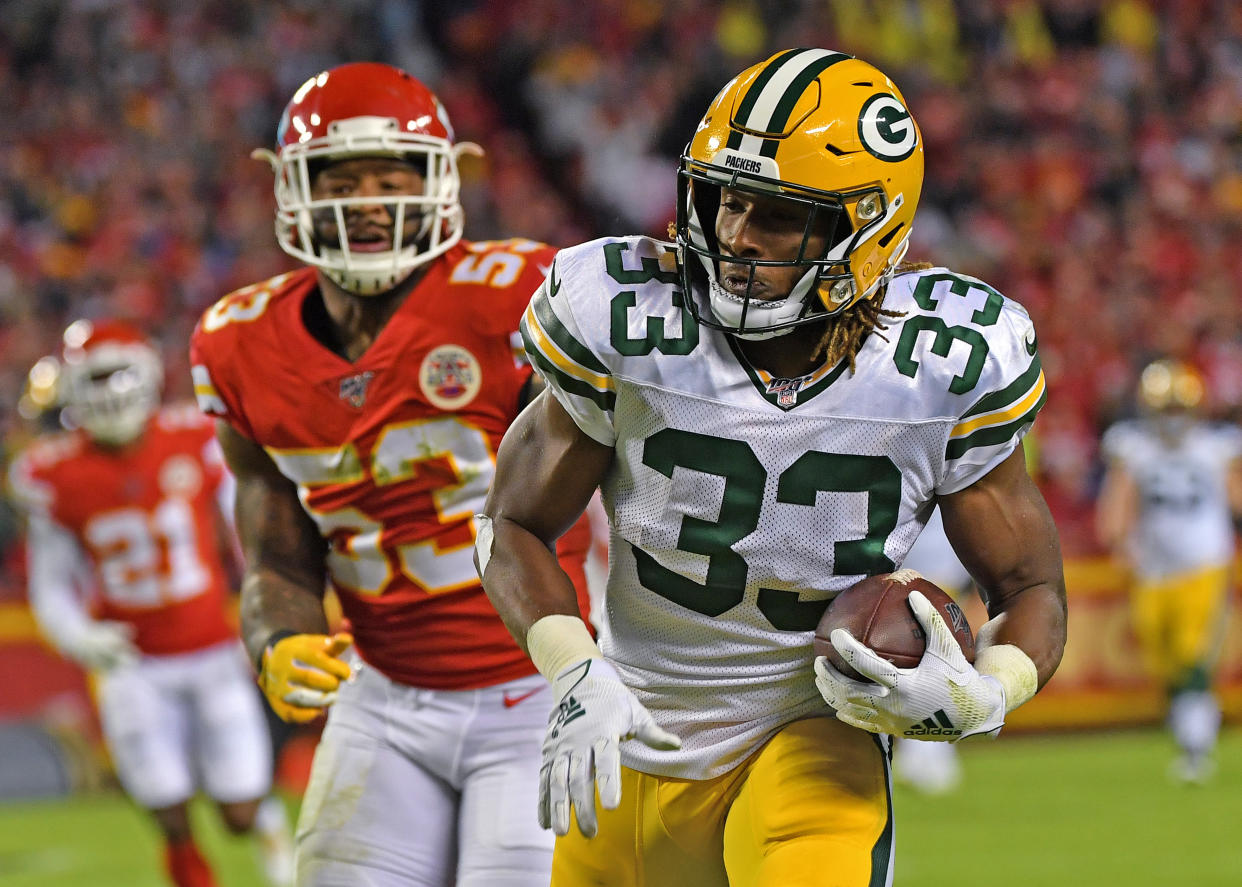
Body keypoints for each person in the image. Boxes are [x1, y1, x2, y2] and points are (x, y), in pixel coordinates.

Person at [476, 48, 1067, 886]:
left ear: (868, 229)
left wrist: (989, 692)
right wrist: (574, 669)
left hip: (810, 733)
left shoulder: (940, 361)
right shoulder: (629, 320)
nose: (735, 235)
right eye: (726, 200)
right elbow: (511, 523)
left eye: (780, 215)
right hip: (632, 725)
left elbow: (1031, 589)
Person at [188, 61, 592, 886]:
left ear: (442, 179)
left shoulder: (519, 295)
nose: (369, 201)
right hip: (383, 693)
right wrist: (277, 634)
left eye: (390, 176)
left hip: (539, 686)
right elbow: (275, 545)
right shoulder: (236, 342)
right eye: (342, 178)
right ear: (290, 188)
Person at [7, 319, 294, 887]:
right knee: (164, 803)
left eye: (116, 372)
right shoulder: (51, 473)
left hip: (210, 649)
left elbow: (248, 534)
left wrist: (265, 595)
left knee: (238, 810)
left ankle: (268, 828)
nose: (108, 389)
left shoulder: (198, 436)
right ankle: (190, 870)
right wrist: (78, 637)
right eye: (95, 376)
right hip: (132, 661)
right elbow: (50, 581)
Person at [1096, 358, 1242, 784]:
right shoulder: (1134, 448)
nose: (1173, 419)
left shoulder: (1216, 448)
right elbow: (1120, 498)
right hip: (1153, 569)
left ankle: (1196, 745)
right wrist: (1117, 537)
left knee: (1192, 653)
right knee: (1162, 655)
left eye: (1180, 409)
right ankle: (1190, 731)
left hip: (1204, 563)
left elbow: (1235, 496)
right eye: (1166, 410)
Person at [892, 506, 976, 795]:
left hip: (929, 552)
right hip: (929, 551)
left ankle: (928, 755)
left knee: (930, 658)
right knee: (929, 658)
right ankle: (923, 756)